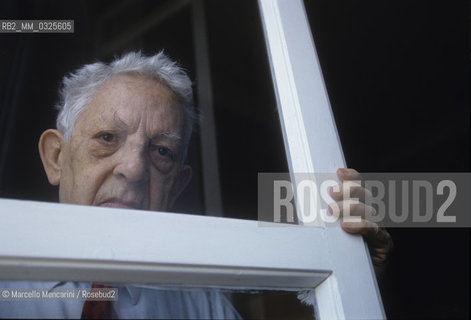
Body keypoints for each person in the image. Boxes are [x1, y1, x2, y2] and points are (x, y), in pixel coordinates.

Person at [0, 51, 392, 318]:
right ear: (55, 158)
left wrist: (349, 273)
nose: (134, 169)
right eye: (106, 139)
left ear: (177, 186)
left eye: (162, 153)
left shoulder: (204, 306)